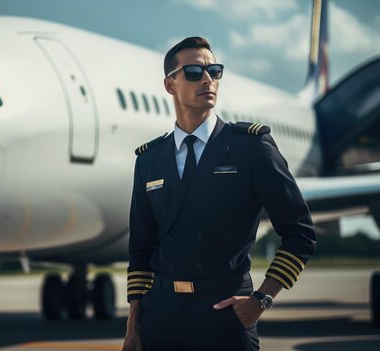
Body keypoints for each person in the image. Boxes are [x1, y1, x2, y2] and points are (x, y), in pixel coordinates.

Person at [121, 37, 317, 351]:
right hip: (161, 317)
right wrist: (134, 324)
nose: (208, 79)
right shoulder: (149, 159)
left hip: (225, 315)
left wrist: (262, 299)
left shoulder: (251, 147)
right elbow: (141, 250)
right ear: (170, 85)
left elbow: (300, 233)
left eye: (214, 70)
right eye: (194, 71)